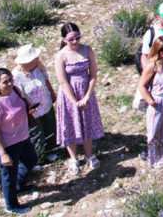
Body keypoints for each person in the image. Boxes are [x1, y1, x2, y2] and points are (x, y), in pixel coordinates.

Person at [54, 23, 103, 176]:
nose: (75, 42)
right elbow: (62, 81)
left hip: (85, 93)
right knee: (70, 125)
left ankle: (89, 154)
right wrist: (74, 101)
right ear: (64, 39)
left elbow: (93, 75)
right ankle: (73, 158)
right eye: (70, 39)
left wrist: (87, 96)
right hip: (69, 96)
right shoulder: (61, 56)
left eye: (77, 37)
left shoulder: (87, 50)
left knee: (86, 122)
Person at [0, 68, 37, 215]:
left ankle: (18, 186)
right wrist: (3, 154)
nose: (9, 83)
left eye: (10, 79)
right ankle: (11, 205)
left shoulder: (15, 90)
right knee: (8, 176)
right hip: (7, 145)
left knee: (31, 160)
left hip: (22, 138)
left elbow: (22, 105)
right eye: (5, 82)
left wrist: (29, 110)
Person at [137, 37, 163, 168]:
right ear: (157, 50)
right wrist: (151, 101)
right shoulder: (152, 65)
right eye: (162, 49)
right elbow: (142, 85)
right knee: (155, 130)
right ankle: (155, 159)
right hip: (158, 101)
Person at [11, 44, 57, 161]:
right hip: (33, 111)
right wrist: (27, 109)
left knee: (50, 127)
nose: (37, 59)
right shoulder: (16, 76)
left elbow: (46, 79)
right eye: (34, 58)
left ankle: (53, 150)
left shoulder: (38, 66)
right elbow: (18, 96)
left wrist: (52, 93)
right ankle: (40, 157)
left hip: (45, 103)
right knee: (37, 133)